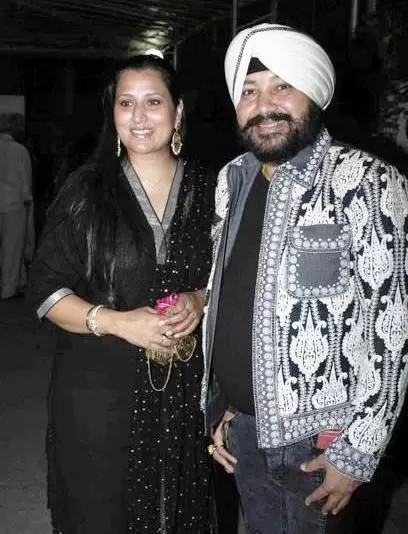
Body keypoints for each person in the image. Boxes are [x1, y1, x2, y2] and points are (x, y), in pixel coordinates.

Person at [201, 23, 408, 534]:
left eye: (282, 86)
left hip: (320, 443)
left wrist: (358, 449)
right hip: (244, 429)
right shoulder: (231, 179)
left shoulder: (367, 180)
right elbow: (230, 296)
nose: (264, 105)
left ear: (313, 95)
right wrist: (221, 403)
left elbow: (393, 329)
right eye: (249, 92)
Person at [28, 53, 216, 534]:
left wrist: (200, 299)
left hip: (185, 391)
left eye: (153, 102)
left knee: (178, 511)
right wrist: (116, 321)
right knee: (102, 511)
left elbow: (234, 278)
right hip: (98, 391)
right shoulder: (87, 190)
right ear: (112, 113)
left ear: (177, 111)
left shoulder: (213, 189)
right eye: (125, 103)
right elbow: (45, 288)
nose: (138, 117)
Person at [0, 112, 32, 300]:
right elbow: (25, 181)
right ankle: (8, 290)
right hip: (14, 204)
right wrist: (28, 202)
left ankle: (18, 282)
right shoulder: (20, 150)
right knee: (12, 248)